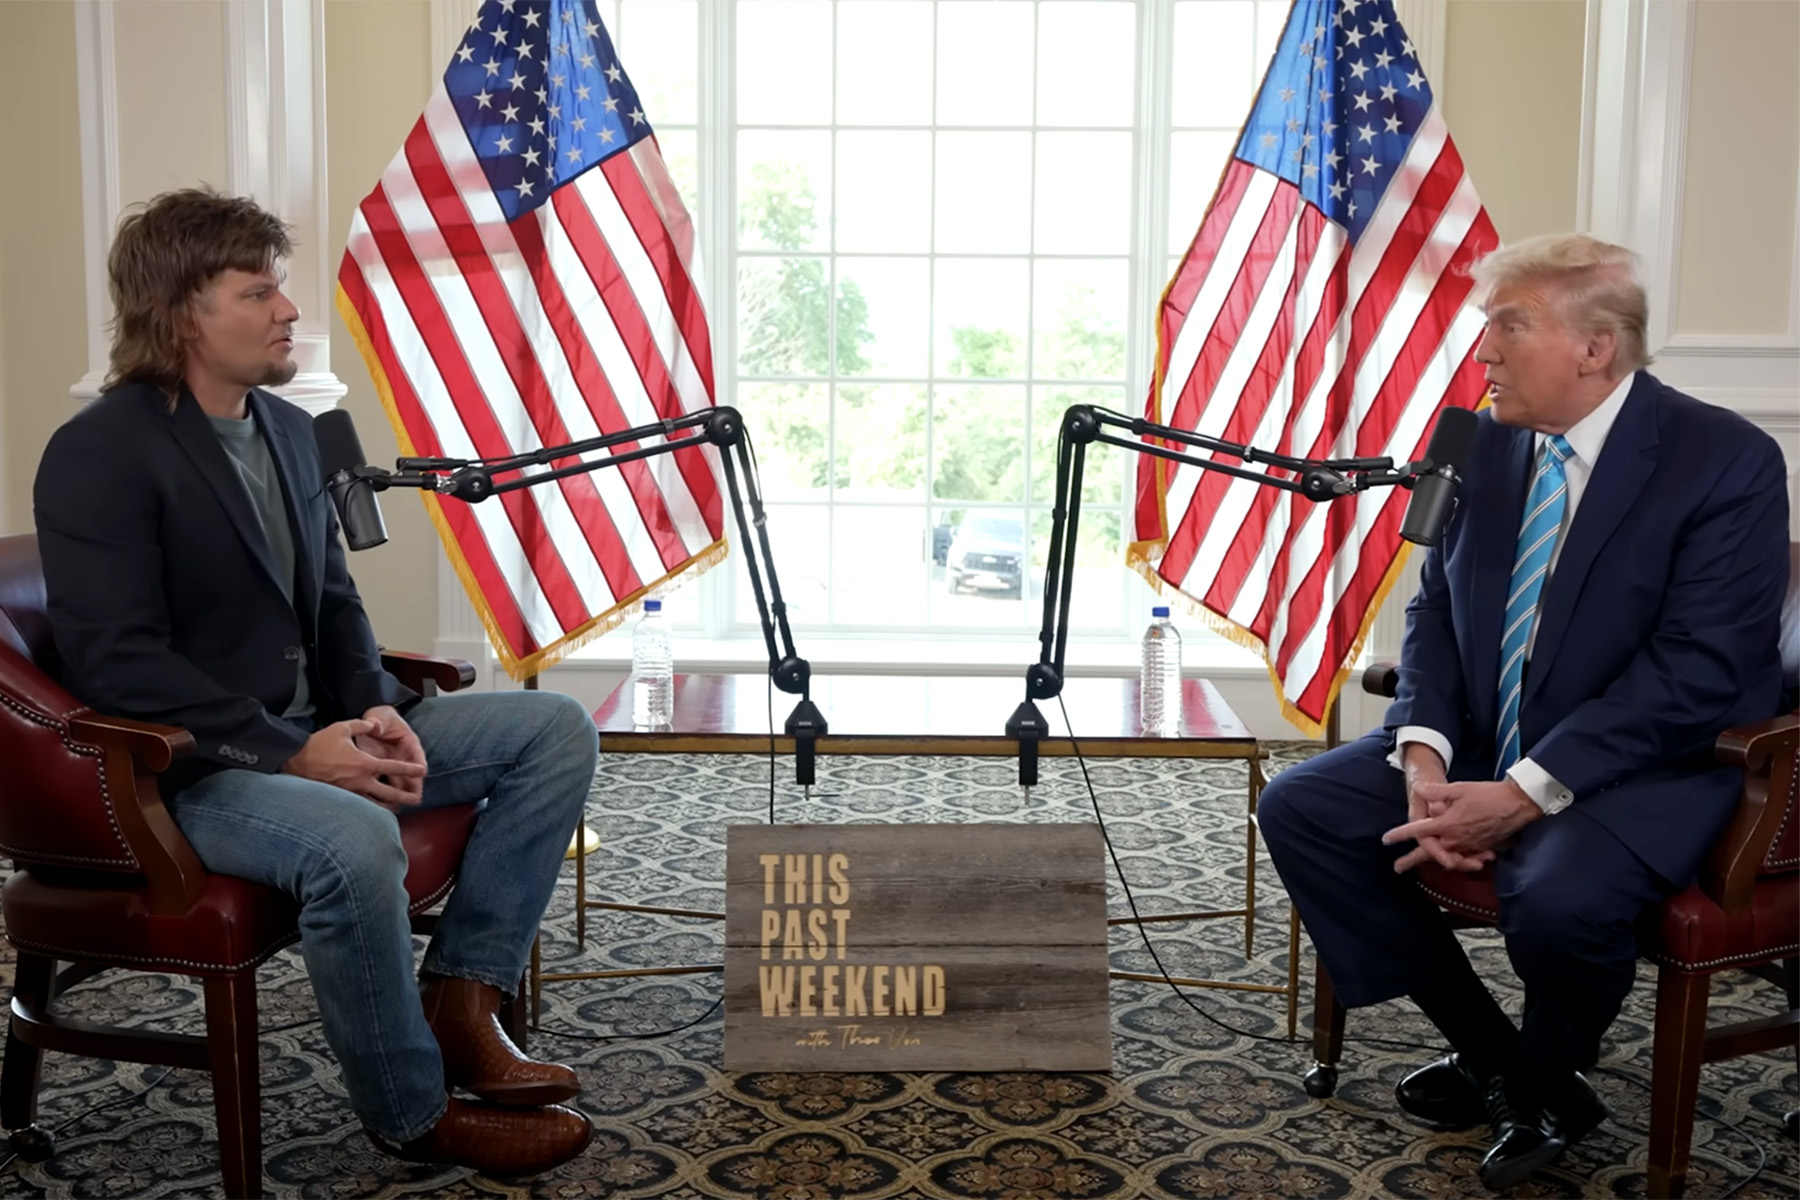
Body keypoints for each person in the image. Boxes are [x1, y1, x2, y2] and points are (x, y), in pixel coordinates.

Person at [33, 188, 599, 1177]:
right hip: (195, 770)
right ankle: (411, 1114)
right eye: (258, 292)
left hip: (312, 730)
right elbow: (117, 659)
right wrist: (291, 749)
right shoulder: (98, 453)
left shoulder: (296, 435)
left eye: (279, 286)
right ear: (180, 317)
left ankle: (462, 1001)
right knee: (352, 836)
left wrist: (373, 706)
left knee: (552, 729)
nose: (288, 309)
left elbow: (333, 604)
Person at [1258, 233, 1790, 1190]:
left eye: (1508, 326)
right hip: (1482, 739)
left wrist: (1524, 792)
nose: (1485, 352)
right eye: (1485, 327)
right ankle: (1509, 1067)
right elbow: (1434, 610)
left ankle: (1546, 1069)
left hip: (1650, 762)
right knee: (1304, 808)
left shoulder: (1726, 461)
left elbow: (1696, 673)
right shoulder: (1481, 443)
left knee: (1560, 895)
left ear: (1595, 348)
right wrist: (1422, 761)